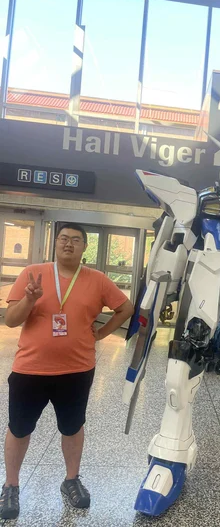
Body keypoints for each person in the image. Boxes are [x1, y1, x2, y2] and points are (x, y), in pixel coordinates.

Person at [0, 223, 134, 520]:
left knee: (72, 427)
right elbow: (11, 320)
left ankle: (71, 479)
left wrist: (102, 333)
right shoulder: (32, 274)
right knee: (19, 428)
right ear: (56, 244)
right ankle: (10, 485)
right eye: (63, 238)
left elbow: (126, 308)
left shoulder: (97, 280)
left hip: (76, 370)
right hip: (30, 370)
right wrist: (30, 299)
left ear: (85, 247)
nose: (68, 244)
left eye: (75, 240)